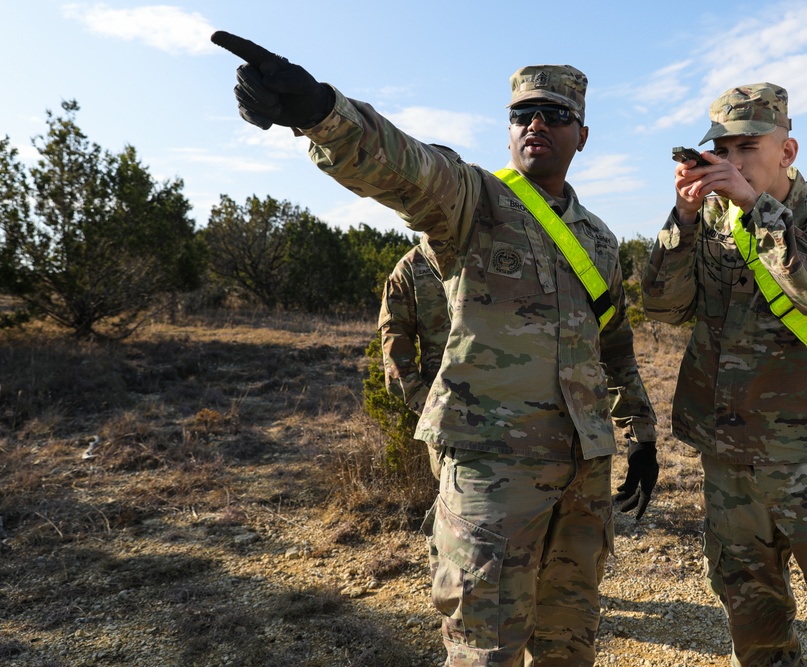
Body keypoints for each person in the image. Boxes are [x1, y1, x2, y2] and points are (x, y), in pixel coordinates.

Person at [214, 31, 659, 666]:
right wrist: (320, 112)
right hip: (490, 474)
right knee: (484, 651)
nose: (537, 124)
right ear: (508, 131)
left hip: (584, 473)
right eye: (522, 114)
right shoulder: (475, 202)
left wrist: (637, 431)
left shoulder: (600, 240)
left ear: (581, 135)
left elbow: (614, 345)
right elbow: (409, 167)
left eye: (556, 115)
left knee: (569, 644)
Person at [642, 82, 807, 666]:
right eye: (720, 151)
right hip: (728, 458)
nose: (731, 164)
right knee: (752, 617)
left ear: (787, 151)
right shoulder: (707, 223)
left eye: (746, 149)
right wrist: (682, 218)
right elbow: (660, 305)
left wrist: (757, 212)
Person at [378, 235, 450, 479]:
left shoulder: (494, 250)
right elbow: (395, 351)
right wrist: (432, 410)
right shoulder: (411, 268)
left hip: (525, 419)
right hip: (453, 425)